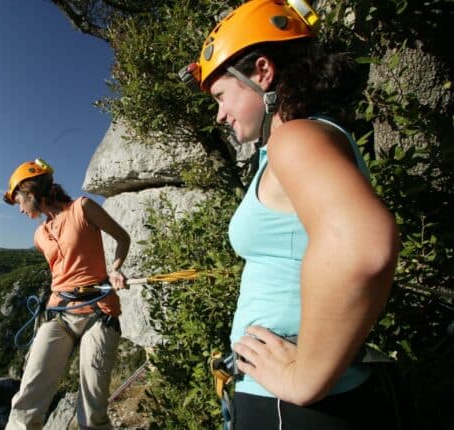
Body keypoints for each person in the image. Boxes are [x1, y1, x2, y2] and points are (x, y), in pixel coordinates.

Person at [181, 0, 401, 428]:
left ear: (262, 72)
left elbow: (365, 245)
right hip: (292, 399)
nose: (219, 115)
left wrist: (303, 379)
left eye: (222, 95)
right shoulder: (304, 138)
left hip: (292, 404)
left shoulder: (295, 139)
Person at [2, 158, 130, 430]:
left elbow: (122, 237)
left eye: (19, 201)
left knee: (92, 410)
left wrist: (115, 269)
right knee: (27, 399)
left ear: (31, 193)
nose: (20, 209)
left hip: (99, 312)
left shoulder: (82, 209)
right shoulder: (39, 235)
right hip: (60, 314)